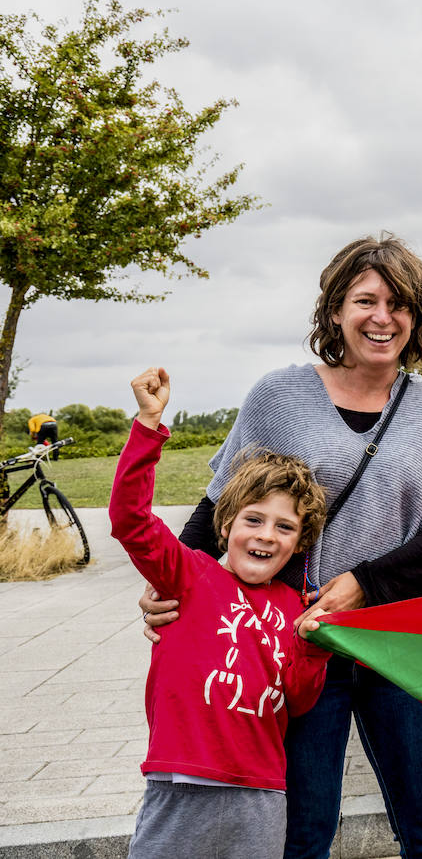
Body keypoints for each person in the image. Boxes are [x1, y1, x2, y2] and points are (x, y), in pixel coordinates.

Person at [140, 235, 422, 859]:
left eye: (400, 304)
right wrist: (173, 585)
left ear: (418, 317)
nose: (383, 317)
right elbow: (220, 504)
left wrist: (367, 584)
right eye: (366, 301)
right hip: (296, 643)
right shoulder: (280, 397)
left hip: (406, 644)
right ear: (335, 310)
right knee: (302, 833)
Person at [112, 367, 331, 859]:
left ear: (300, 543)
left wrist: (314, 651)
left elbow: (298, 701)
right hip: (182, 782)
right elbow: (130, 521)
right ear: (227, 523)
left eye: (285, 527)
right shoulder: (188, 574)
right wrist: (148, 426)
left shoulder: (294, 606)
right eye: (254, 519)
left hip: (263, 792)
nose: (266, 535)